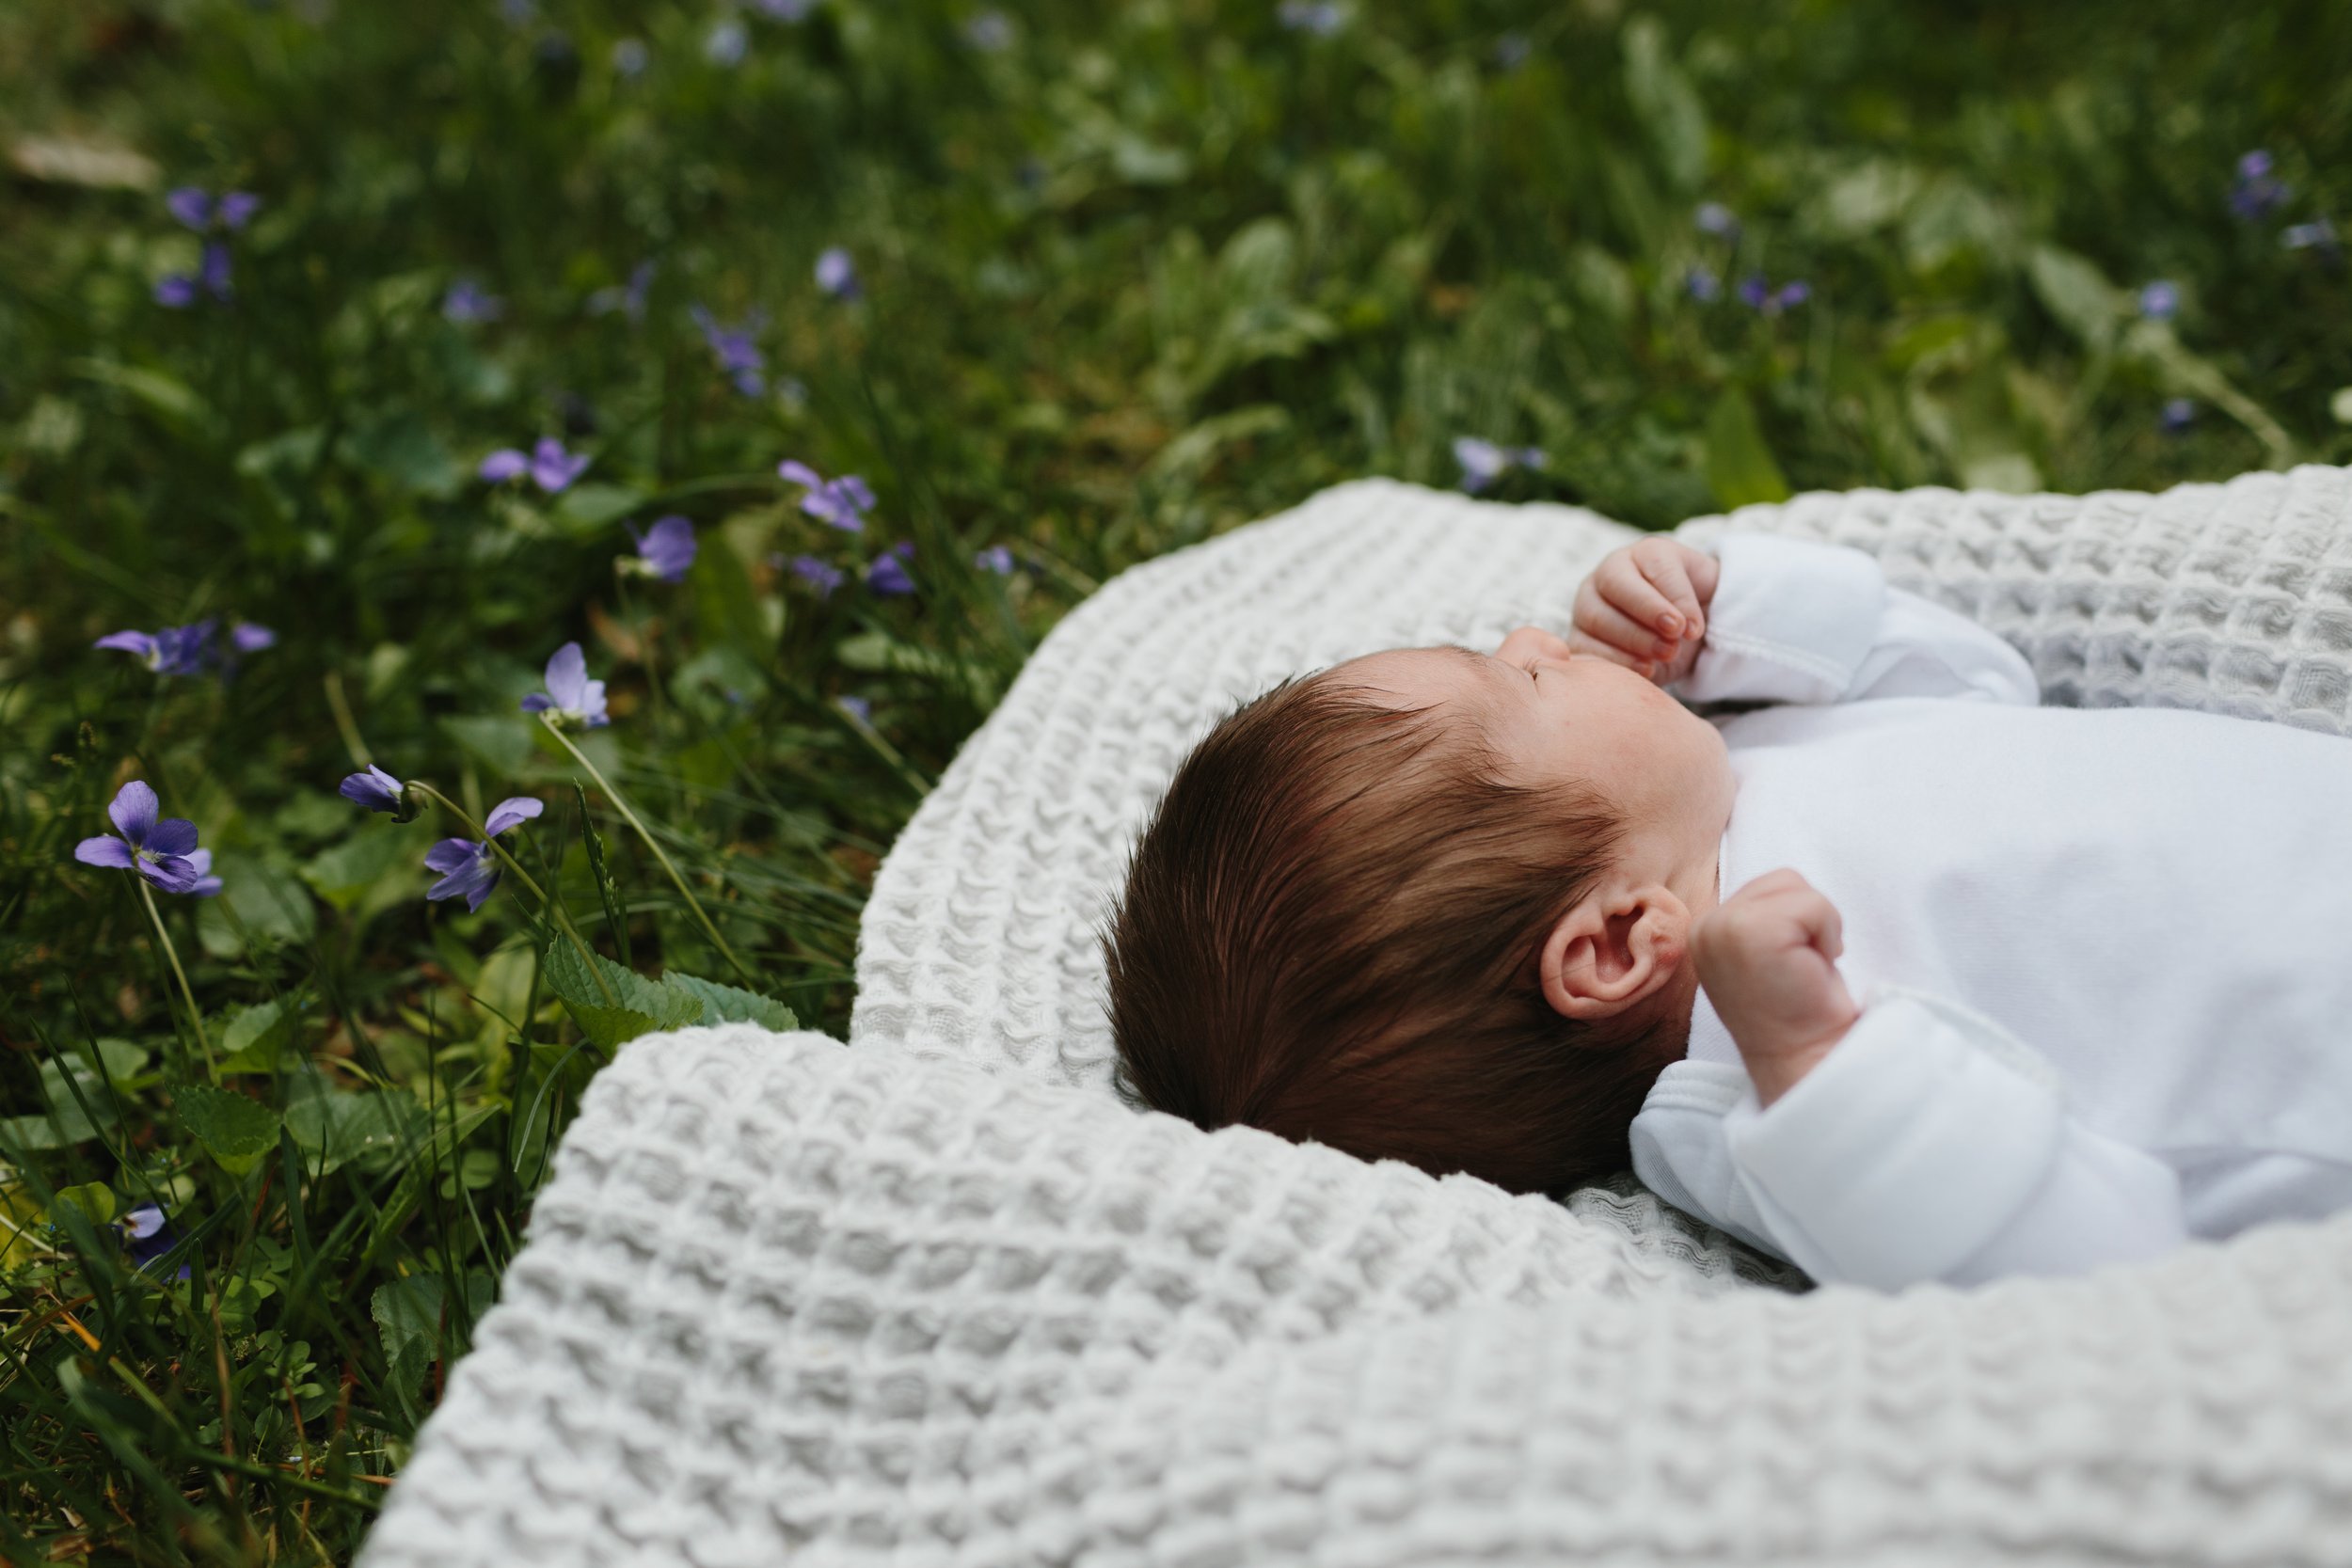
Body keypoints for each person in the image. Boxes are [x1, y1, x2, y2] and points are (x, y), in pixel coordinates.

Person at [1103, 529, 2352, 1291]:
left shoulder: (1735, 767)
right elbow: (2084, 1276)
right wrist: (1825, 1066)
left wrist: (1733, 617)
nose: (1543, 633)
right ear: (1610, 945)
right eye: (1524, 681)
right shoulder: (1744, 1100)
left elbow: (1980, 688)